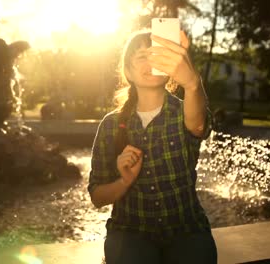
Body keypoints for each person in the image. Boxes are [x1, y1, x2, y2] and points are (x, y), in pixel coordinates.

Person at [88, 30, 218, 264]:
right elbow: (97, 196)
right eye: (141, 57)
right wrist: (124, 181)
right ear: (128, 71)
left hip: (187, 231)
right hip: (129, 233)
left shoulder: (184, 111)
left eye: (157, 55)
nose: (150, 62)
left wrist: (191, 83)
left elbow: (198, 125)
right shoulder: (111, 125)